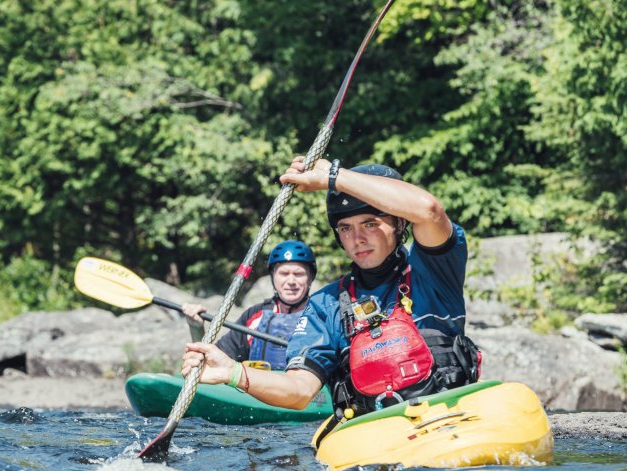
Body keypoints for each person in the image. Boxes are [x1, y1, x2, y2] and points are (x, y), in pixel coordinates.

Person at [181, 157, 481, 435]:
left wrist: (334, 177)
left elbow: (429, 210)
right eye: (345, 228)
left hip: (451, 421)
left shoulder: (433, 269)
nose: (357, 238)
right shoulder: (327, 304)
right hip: (381, 435)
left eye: (370, 224)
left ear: (399, 222)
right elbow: (299, 391)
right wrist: (233, 373)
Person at [180, 240, 316, 369]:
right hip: (256, 390)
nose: (291, 281)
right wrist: (196, 328)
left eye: (298, 274)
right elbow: (211, 362)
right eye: (284, 273)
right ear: (273, 277)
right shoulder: (254, 316)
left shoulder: (321, 316)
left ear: (310, 279)